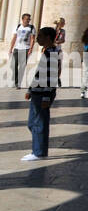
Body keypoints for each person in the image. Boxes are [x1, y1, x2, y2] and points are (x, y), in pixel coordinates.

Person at [23, 26, 59, 161]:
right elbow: (39, 73)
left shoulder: (53, 53)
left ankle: (39, 152)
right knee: (33, 123)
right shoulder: (47, 52)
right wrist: (30, 90)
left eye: (40, 36)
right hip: (37, 92)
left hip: (43, 93)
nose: (37, 39)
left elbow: (52, 77)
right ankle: (37, 149)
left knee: (39, 122)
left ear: (48, 38)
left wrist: (46, 96)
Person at [9, 13, 34, 89]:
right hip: (17, 48)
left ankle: (18, 83)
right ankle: (15, 79)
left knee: (22, 67)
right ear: (22, 19)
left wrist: (30, 49)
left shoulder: (31, 28)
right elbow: (14, 38)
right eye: (27, 19)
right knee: (13, 65)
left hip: (26, 49)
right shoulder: (18, 27)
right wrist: (11, 48)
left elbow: (33, 39)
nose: (28, 20)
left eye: (29, 19)